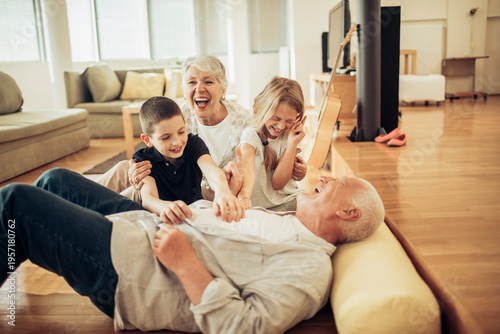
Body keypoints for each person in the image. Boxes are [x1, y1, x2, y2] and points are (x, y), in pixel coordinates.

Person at [1, 173, 384, 333]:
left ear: (347, 213)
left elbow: (243, 327)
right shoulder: (288, 218)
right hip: (147, 223)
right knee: (54, 181)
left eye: (336, 184)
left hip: (137, 270)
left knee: (16, 203)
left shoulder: (310, 269)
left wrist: (186, 264)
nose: (325, 179)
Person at [96, 54, 307, 203]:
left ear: (223, 89)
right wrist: (137, 170)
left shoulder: (245, 120)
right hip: (177, 181)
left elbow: (268, 149)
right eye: (191, 82)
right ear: (184, 89)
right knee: (125, 168)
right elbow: (154, 149)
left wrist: (298, 167)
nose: (199, 88)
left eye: (208, 81)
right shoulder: (179, 116)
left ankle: (89, 210)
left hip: (209, 192)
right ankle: (76, 198)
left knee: (133, 195)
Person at [132, 95, 243, 223]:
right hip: (161, 216)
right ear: (147, 140)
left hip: (195, 212)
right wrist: (166, 207)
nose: (177, 142)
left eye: (181, 132)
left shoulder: (193, 143)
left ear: (184, 125)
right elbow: (148, 198)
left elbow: (212, 170)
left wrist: (222, 191)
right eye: (166, 137)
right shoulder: (143, 158)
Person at [239, 76, 307, 211]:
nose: (281, 126)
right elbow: (247, 167)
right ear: (264, 109)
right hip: (259, 206)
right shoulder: (251, 135)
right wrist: (244, 197)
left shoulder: (291, 136)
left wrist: (292, 144)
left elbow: (279, 182)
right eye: (276, 118)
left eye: (289, 121)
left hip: (289, 200)